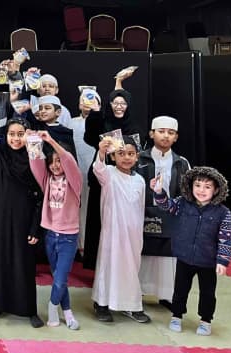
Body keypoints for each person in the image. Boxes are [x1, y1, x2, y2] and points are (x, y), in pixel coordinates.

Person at [0, 118, 44, 328]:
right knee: (1, 260)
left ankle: (30, 309)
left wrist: (35, 226)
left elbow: (41, 195)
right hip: (0, 218)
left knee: (24, 264)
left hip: (24, 220)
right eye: (11, 134)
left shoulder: (35, 158)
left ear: (27, 135)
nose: (15, 138)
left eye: (20, 134)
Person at [152, 166, 231, 336]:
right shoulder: (182, 203)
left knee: (208, 293)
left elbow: (226, 238)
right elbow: (166, 206)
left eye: (207, 186)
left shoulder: (223, 213)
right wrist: (159, 191)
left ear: (216, 189)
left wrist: (222, 260)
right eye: (198, 185)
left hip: (208, 261)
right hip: (184, 257)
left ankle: (205, 320)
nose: (201, 190)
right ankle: (176, 316)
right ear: (191, 186)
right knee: (180, 289)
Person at [82, 69, 142, 270]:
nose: (119, 106)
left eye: (123, 103)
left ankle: (120, 264)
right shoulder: (102, 120)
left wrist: (118, 82)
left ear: (128, 106)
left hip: (124, 181)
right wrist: (95, 114)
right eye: (115, 103)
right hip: (102, 177)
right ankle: (97, 265)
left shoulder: (133, 126)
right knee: (98, 221)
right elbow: (90, 138)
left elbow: (137, 152)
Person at [91, 135, 150, 323]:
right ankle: (101, 303)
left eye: (131, 154)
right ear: (113, 156)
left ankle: (130, 305)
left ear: (137, 156)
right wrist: (101, 151)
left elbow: (140, 207)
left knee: (131, 268)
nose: (126, 158)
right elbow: (97, 168)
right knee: (108, 266)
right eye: (121, 153)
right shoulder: (108, 173)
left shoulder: (140, 180)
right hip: (113, 232)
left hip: (133, 234)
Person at [29, 131, 82, 330]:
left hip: (68, 236)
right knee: (59, 277)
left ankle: (53, 308)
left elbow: (68, 161)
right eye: (52, 161)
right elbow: (35, 161)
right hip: (50, 234)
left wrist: (51, 140)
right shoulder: (47, 179)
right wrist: (32, 140)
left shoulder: (74, 181)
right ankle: (67, 313)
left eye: (58, 161)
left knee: (60, 279)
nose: (55, 165)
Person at [136, 116, 190, 309]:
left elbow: (186, 191)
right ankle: (136, 293)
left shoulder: (181, 163)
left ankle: (167, 295)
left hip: (170, 216)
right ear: (152, 134)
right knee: (142, 255)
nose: (166, 136)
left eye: (171, 132)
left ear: (176, 137)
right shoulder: (139, 158)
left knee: (168, 259)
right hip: (141, 213)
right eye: (161, 131)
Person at [68, 91, 96, 256]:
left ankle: (89, 244)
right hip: (75, 170)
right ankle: (77, 244)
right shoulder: (71, 122)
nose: (87, 103)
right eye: (84, 100)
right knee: (76, 207)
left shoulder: (102, 122)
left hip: (94, 172)